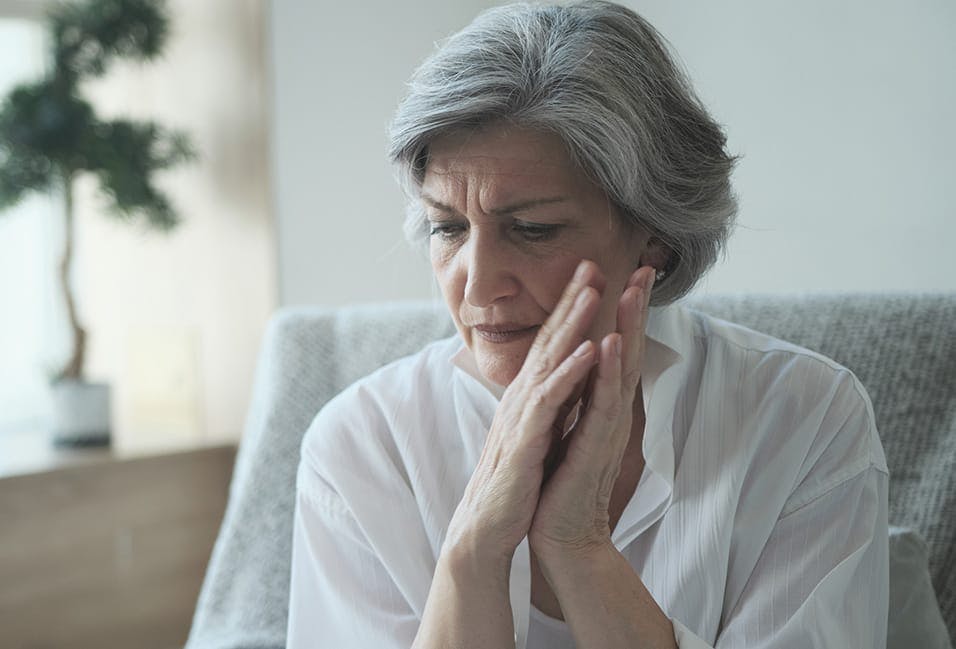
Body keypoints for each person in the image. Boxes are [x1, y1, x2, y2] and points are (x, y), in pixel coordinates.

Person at [286, 2, 889, 648]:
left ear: (653, 238)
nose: (478, 283)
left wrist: (577, 545)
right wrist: (472, 554)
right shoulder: (361, 446)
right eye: (447, 227)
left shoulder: (804, 420)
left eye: (533, 228)